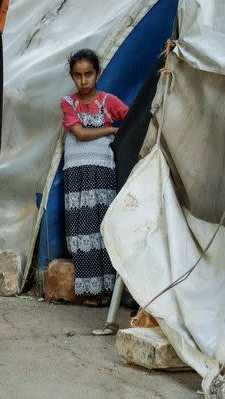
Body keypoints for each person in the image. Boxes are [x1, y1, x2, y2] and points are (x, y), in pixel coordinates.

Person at [60, 49, 129, 305]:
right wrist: (112, 128)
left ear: (98, 74)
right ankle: (90, 291)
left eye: (89, 74)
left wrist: (120, 127)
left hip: (102, 171)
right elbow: (79, 134)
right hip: (77, 173)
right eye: (78, 75)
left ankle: (108, 291)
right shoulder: (68, 103)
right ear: (72, 77)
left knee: (103, 230)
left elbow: (132, 117)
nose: (84, 80)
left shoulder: (109, 101)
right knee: (82, 231)